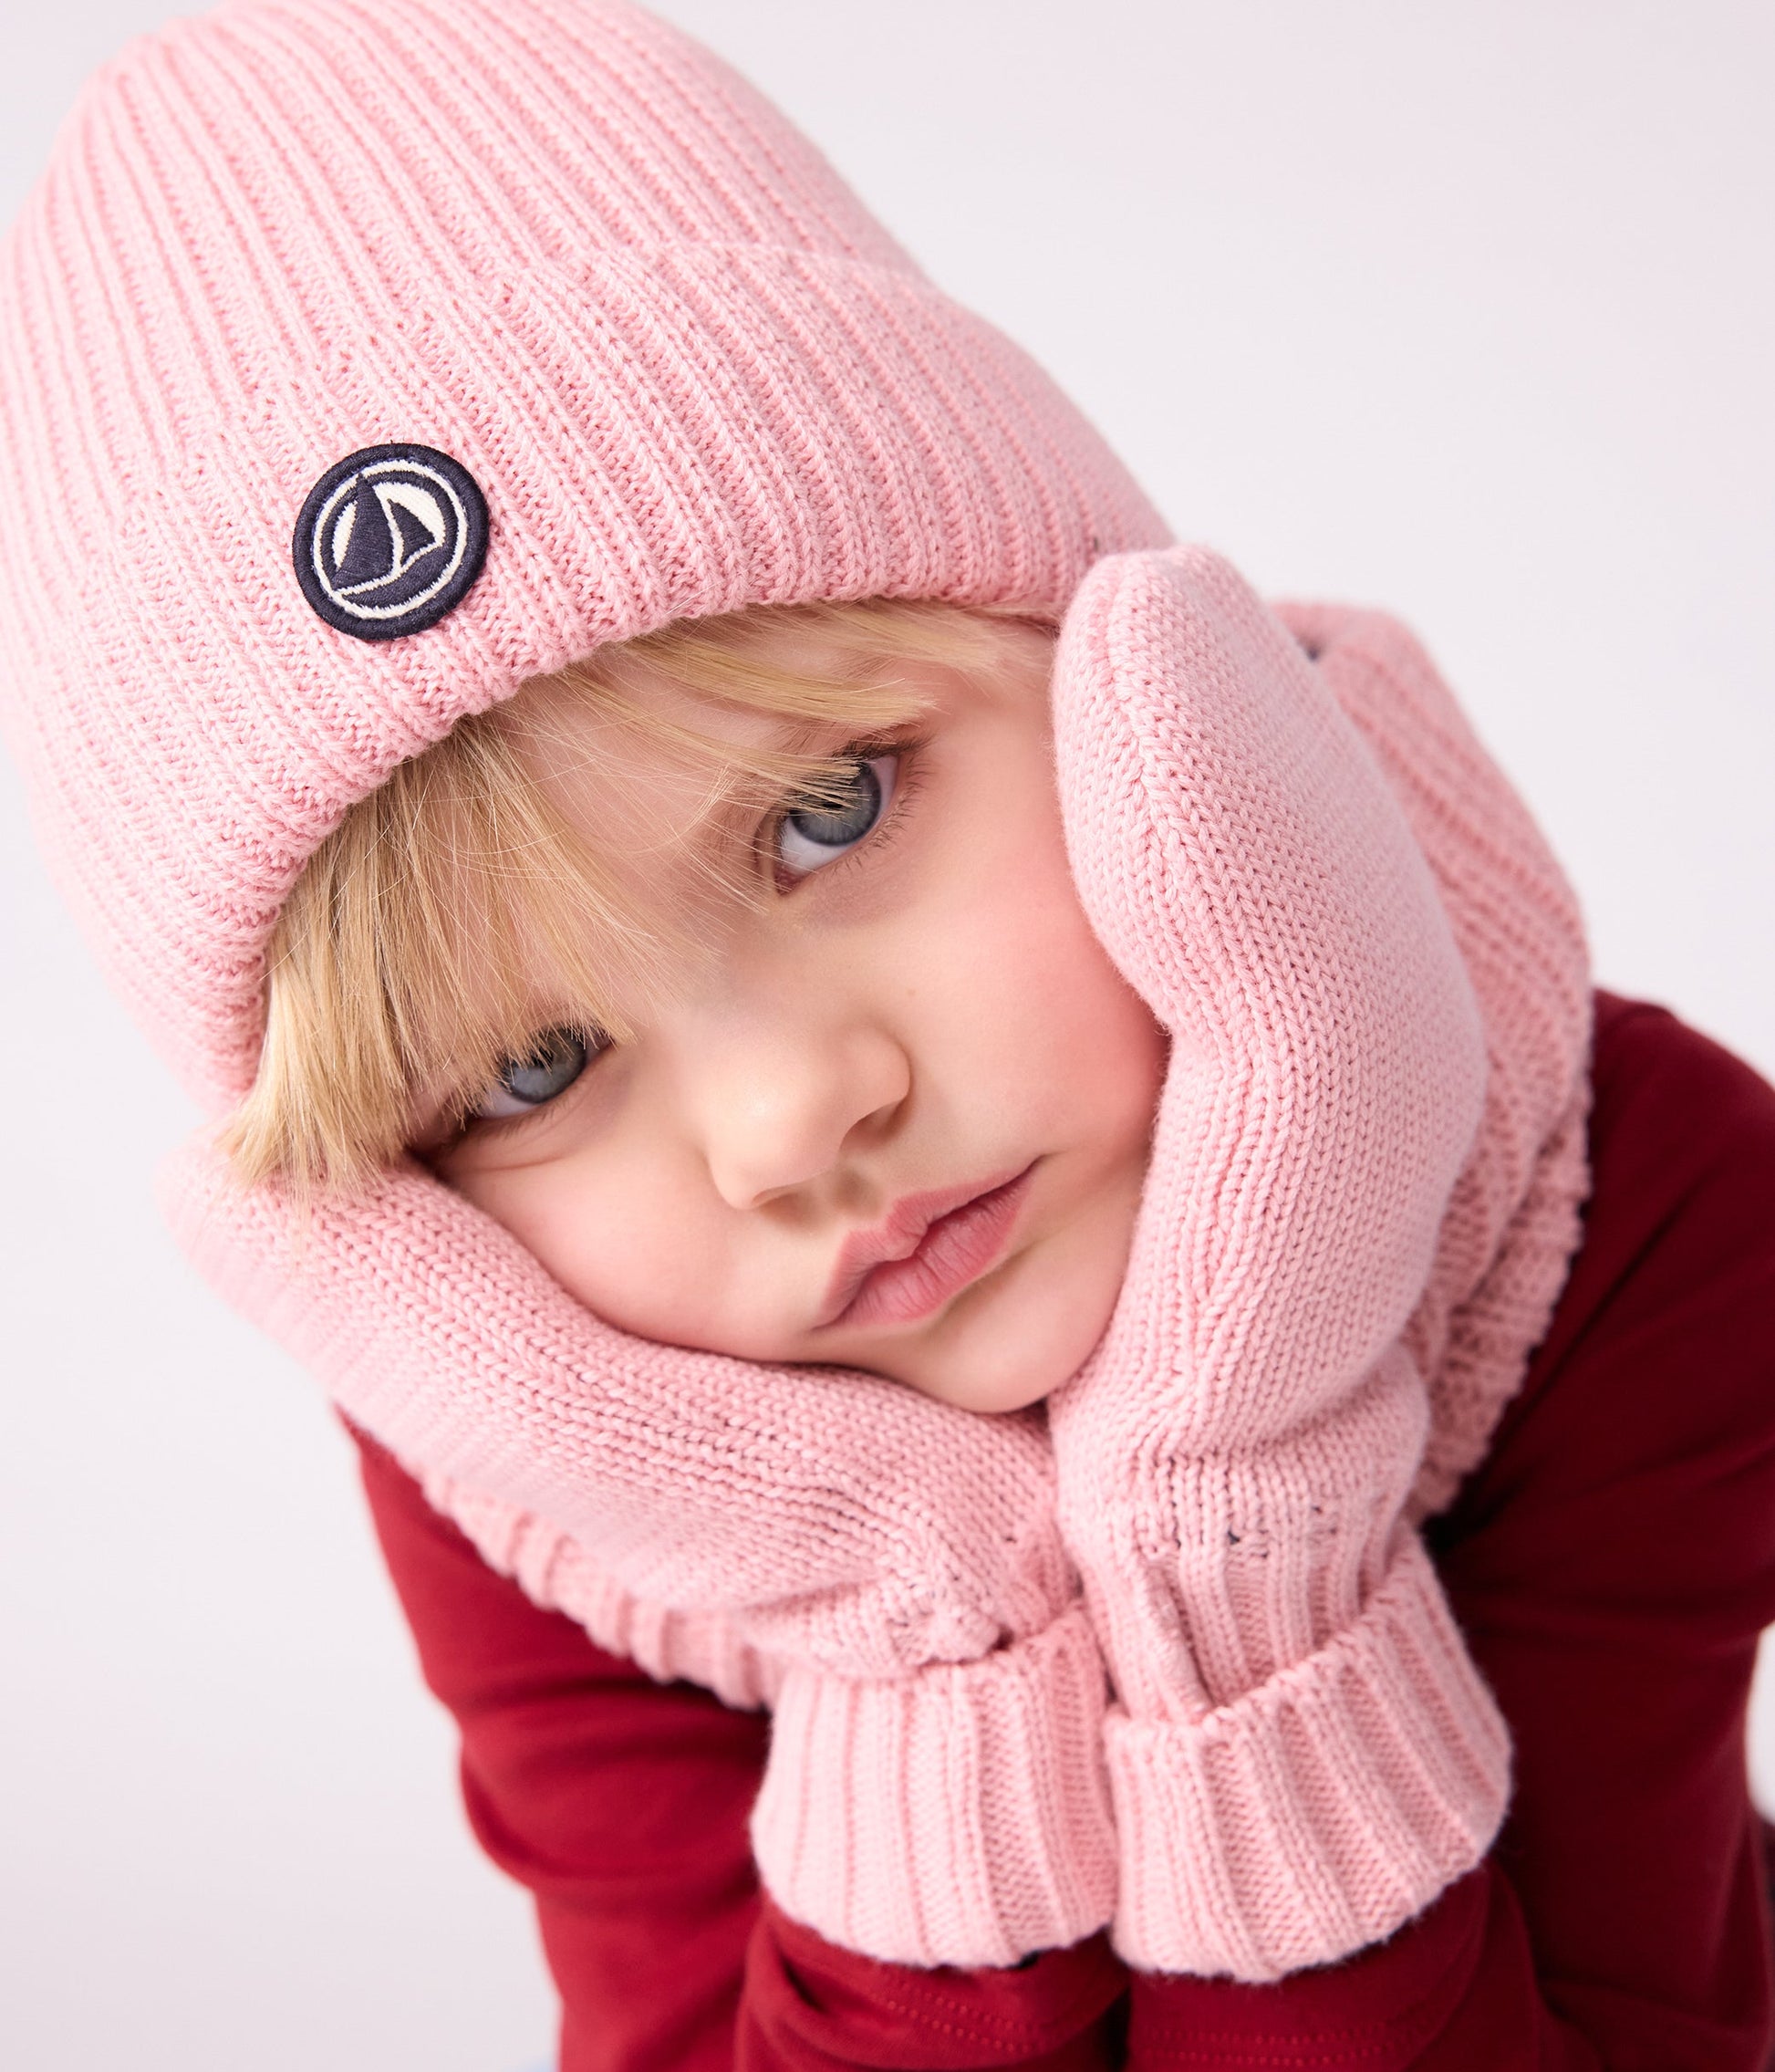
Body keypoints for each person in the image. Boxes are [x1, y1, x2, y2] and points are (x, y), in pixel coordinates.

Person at [1, 2, 1771, 2067]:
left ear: (1111, 673)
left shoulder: (1616, 1202)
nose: (790, 1120)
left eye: (827, 809)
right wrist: (929, 1646)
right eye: (531, 1071)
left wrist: (1252, 1542)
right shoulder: (546, 1450)